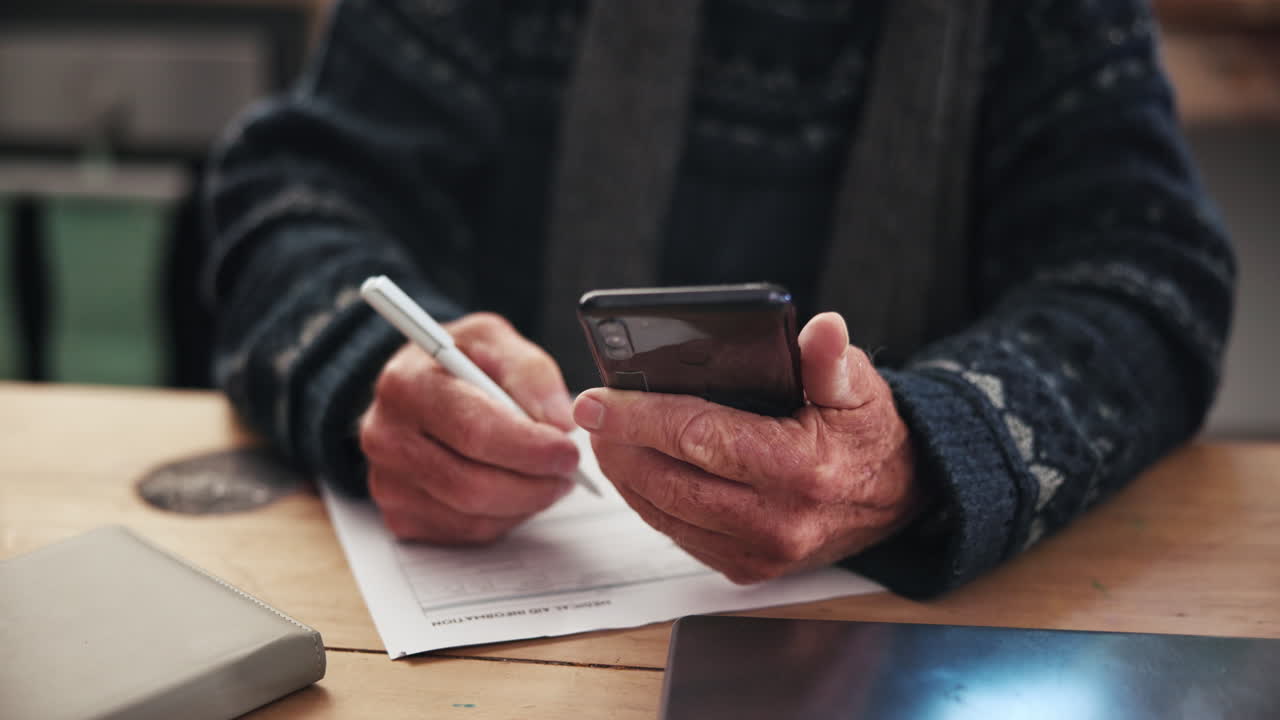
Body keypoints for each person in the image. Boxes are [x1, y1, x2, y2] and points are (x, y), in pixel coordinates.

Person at [202, 0, 1235, 598]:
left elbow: (1146, 278)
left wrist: (925, 451)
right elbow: (298, 200)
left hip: (911, 642)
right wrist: (374, 377)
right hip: (508, 626)